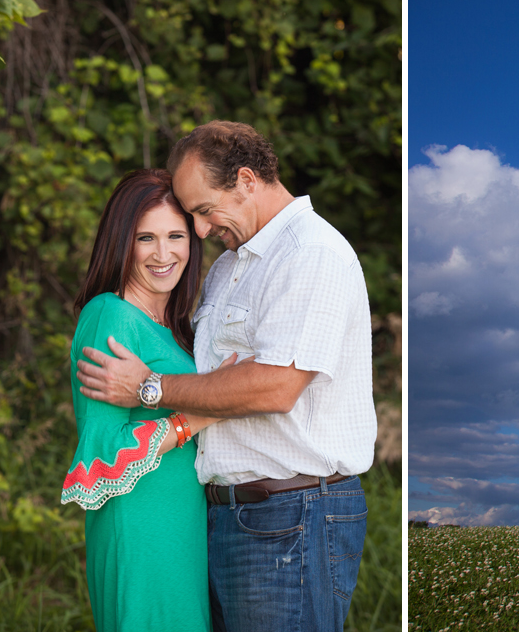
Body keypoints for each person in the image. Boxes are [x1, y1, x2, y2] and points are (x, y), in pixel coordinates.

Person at [75, 121, 376, 632]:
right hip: (218, 519)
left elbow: (277, 386)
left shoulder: (310, 254)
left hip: (290, 513)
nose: (199, 231)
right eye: (155, 233)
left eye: (200, 212)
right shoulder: (229, 268)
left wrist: (152, 388)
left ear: (245, 180)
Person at [61, 169, 221, 632]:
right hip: (138, 526)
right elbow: (102, 454)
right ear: (120, 242)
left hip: (181, 524)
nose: (163, 253)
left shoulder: (173, 325)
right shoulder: (109, 314)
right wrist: (198, 415)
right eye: (145, 238)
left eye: (176, 235)